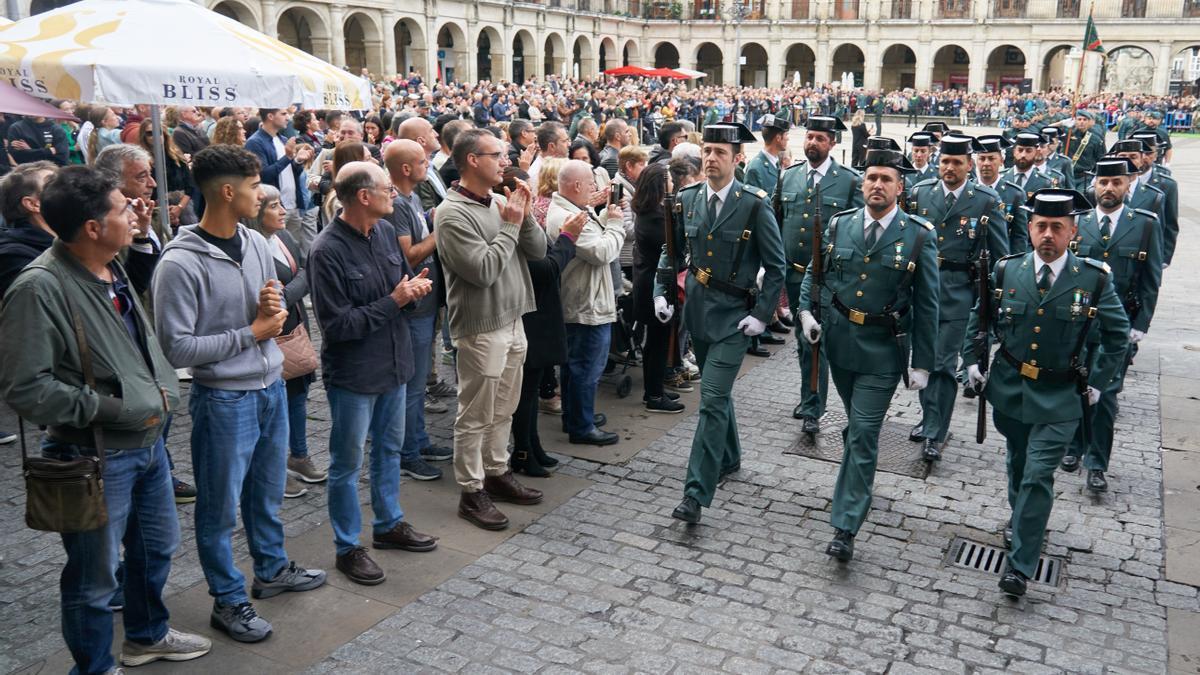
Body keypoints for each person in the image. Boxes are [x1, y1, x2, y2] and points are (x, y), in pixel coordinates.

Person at [0, 165, 211, 673]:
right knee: (94, 580)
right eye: (122, 208)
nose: (136, 211)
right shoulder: (39, 287)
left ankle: (146, 634)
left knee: (155, 549)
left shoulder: (108, 264)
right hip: (93, 453)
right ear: (92, 228)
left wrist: (136, 241)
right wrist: (112, 408)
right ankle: (94, 667)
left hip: (148, 445)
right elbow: (26, 388)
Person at [153, 145, 326, 643]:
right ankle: (228, 600)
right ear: (228, 192)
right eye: (254, 187)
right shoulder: (179, 263)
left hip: (270, 386)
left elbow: (267, 294)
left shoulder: (253, 240)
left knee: (267, 492)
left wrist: (269, 301)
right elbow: (177, 347)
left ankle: (270, 570)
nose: (262, 194)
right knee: (220, 507)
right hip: (224, 398)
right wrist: (252, 331)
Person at [962, 188, 1129, 597]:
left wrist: (1097, 383)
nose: (1048, 235)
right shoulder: (1006, 270)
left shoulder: (1093, 278)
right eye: (1041, 226)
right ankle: (1023, 522)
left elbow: (1117, 334)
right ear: (1030, 230)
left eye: (1058, 227)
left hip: (1061, 396)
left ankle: (1020, 565)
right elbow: (980, 318)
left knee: (1038, 474)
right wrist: (972, 361)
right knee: (1018, 465)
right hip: (1011, 388)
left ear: (1073, 231)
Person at [798, 148, 939, 562]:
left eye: (886, 179)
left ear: (900, 187)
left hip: (882, 351)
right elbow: (815, 272)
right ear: (863, 183)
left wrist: (923, 362)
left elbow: (928, 304)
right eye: (871, 177)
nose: (877, 185)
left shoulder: (917, 235)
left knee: (862, 432)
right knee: (855, 429)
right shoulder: (840, 226)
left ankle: (845, 524)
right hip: (839, 344)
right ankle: (858, 477)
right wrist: (806, 311)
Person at [307, 160, 439, 585]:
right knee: (347, 463)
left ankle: (389, 524)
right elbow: (338, 326)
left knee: (388, 451)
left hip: (395, 364)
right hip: (356, 374)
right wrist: (396, 301)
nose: (395, 194)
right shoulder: (326, 250)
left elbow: (399, 289)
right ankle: (348, 546)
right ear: (364, 196)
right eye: (386, 188)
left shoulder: (382, 232)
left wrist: (414, 291)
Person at [653, 123, 785, 525]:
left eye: (720, 153)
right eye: (707, 150)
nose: (711, 158)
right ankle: (730, 456)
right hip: (698, 311)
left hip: (734, 317)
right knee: (717, 392)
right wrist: (661, 288)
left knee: (709, 401)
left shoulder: (754, 203)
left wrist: (761, 316)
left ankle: (695, 494)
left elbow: (776, 267)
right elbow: (672, 249)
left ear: (736, 158)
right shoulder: (688, 199)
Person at [434, 127, 549, 531]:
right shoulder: (451, 213)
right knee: (475, 413)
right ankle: (471, 489)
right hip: (481, 325)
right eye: (496, 155)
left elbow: (538, 251)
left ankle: (496, 472)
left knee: (504, 407)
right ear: (472, 160)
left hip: (513, 316)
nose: (505, 162)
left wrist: (526, 214)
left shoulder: (499, 200)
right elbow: (482, 271)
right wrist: (511, 226)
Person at [1060, 159, 1161, 490]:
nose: (1108, 188)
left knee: (1106, 397)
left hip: (1117, 328)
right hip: (1078, 324)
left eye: (1116, 182)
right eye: (1103, 182)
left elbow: (1150, 279)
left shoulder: (1144, 225)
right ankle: (1074, 447)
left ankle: (1097, 462)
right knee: (1077, 387)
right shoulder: (1080, 222)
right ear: (1094, 185)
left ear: (1128, 184)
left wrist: (1140, 325)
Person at [906, 135, 1008, 462]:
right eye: (945, 162)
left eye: (957, 162)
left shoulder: (986, 201)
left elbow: (1000, 258)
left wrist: (991, 304)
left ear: (969, 164)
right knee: (923, 358)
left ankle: (936, 431)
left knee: (943, 365)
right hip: (923, 289)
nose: (949, 168)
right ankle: (927, 417)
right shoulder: (921, 193)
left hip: (960, 294)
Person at [776, 115, 863, 433]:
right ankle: (812, 405)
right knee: (806, 341)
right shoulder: (789, 177)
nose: (812, 142)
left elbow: (857, 230)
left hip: (832, 279)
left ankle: (854, 409)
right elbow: (777, 221)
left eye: (820, 138)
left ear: (833, 143)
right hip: (796, 275)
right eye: (809, 136)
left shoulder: (850, 181)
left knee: (832, 343)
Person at [243, 184, 326, 499]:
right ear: (256, 213)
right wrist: (290, 293)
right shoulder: (251, 247)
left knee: (300, 391)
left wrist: (287, 295)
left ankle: (299, 455)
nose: (282, 212)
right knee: (276, 402)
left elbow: (307, 270)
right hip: (273, 333)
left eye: (281, 205)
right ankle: (276, 468)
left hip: (295, 328)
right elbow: (268, 292)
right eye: (273, 206)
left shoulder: (284, 237)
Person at [383, 139, 454, 481]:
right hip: (414, 308)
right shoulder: (396, 203)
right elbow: (407, 256)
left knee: (416, 384)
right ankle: (408, 452)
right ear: (407, 169)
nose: (429, 165)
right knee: (412, 386)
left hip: (426, 304)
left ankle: (419, 440)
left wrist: (429, 218)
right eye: (424, 161)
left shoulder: (410, 199)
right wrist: (441, 231)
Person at [547, 160, 626, 446]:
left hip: (581, 300)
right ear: (577, 186)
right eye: (591, 183)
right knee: (586, 369)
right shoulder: (567, 216)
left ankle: (577, 416)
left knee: (574, 367)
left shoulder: (571, 209)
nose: (594, 188)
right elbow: (602, 251)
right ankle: (582, 426)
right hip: (587, 305)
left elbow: (595, 240)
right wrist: (615, 222)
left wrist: (604, 216)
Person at [512, 197, 587, 475]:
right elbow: (546, 268)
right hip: (530, 317)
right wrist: (568, 238)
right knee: (524, 393)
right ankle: (522, 452)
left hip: (541, 315)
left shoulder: (526, 226)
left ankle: (532, 445)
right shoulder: (512, 228)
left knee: (530, 392)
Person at [631, 162, 686, 414]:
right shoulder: (653, 216)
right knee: (656, 342)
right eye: (669, 180)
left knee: (658, 341)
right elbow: (671, 248)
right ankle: (653, 394)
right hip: (653, 286)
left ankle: (654, 389)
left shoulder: (652, 211)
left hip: (654, 282)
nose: (673, 182)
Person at [246, 108, 317, 254]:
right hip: (272, 207)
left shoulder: (283, 140)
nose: (288, 118)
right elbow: (263, 176)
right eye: (283, 114)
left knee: (292, 250)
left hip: (292, 205)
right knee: (273, 251)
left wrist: (298, 161)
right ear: (270, 116)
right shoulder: (255, 142)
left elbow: (292, 172)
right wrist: (288, 157)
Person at [1128, 132, 1179, 266]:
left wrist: (1164, 258)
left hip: (1149, 252)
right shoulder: (1116, 182)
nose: (1144, 158)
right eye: (1139, 153)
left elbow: (1170, 224)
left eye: (1148, 153)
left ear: (1156, 155)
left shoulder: (1166, 184)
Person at [973, 134, 1029, 254]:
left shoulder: (1015, 194)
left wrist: (1013, 265)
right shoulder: (969, 190)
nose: (986, 163)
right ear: (976, 162)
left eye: (991, 158)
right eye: (982, 159)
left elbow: (1019, 236)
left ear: (1001, 161)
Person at [1061, 110, 1105, 184]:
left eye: (1085, 120)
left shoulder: (1096, 138)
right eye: (1079, 119)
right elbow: (1046, 131)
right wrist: (1061, 123)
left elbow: (1101, 159)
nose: (1082, 122)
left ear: (1089, 122)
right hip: (1068, 175)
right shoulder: (1068, 135)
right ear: (1075, 121)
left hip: (1085, 177)